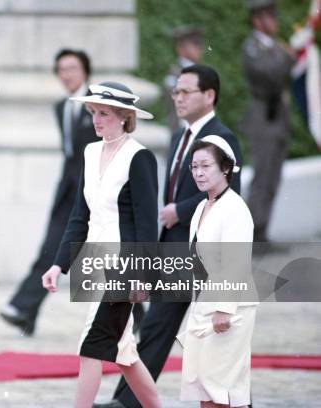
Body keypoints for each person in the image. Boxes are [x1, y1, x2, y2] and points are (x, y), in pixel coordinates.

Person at [95, 64, 243, 408]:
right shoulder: (179, 136)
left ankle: (236, 400)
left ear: (209, 95)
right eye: (175, 92)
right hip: (173, 245)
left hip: (206, 251)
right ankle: (127, 402)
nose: (178, 98)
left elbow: (230, 191)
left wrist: (181, 210)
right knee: (158, 326)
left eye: (185, 92)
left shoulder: (224, 137)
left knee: (217, 337)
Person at [42, 82, 161, 408]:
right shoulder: (90, 152)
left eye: (104, 113)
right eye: (93, 112)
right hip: (94, 263)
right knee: (124, 353)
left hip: (123, 267)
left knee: (90, 345)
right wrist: (58, 264)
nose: (96, 119)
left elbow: (147, 224)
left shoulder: (140, 158)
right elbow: (80, 215)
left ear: (124, 117)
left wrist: (143, 275)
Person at [0, 48, 98, 335]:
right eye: (61, 69)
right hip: (68, 193)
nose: (66, 74)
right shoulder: (60, 107)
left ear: (85, 71)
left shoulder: (98, 104)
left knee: (114, 256)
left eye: (72, 68)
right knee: (51, 249)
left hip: (98, 194)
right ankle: (24, 311)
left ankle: (143, 320)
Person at [180, 135, 257, 407]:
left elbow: (237, 262)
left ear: (225, 168)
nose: (198, 173)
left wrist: (224, 308)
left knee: (220, 388)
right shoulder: (202, 206)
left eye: (206, 166)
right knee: (203, 386)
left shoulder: (235, 208)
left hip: (229, 310)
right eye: (194, 167)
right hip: (203, 305)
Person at [241, 0, 296, 242]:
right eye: (269, 17)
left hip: (278, 119)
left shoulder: (275, 46)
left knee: (273, 177)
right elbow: (271, 73)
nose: (275, 22)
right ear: (257, 20)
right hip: (263, 118)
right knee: (262, 177)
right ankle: (251, 233)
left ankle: (262, 231)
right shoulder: (252, 47)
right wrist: (289, 56)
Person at [164, 25, 205, 133]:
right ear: (180, 48)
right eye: (194, 44)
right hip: (182, 130)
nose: (199, 48)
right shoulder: (174, 74)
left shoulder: (202, 71)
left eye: (199, 44)